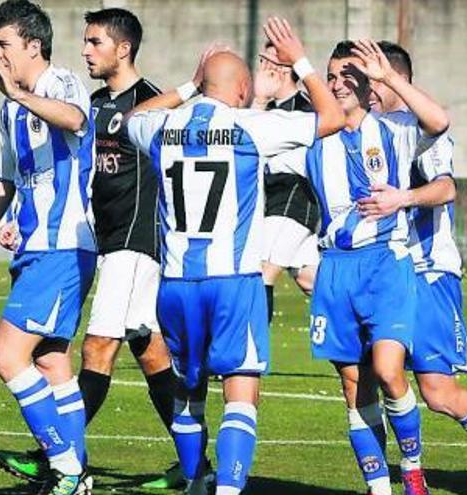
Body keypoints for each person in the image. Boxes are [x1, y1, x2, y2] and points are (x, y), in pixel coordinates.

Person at [125, 16, 344, 495]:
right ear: (243, 89)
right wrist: (300, 60)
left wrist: (189, 83)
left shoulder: (162, 127)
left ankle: (194, 484)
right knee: (240, 392)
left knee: (189, 394)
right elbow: (333, 118)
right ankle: (227, 490)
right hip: (234, 280)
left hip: (177, 285)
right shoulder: (250, 125)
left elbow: (132, 117)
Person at [0, 8, 185, 489]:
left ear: (123, 48)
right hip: (102, 239)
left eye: (95, 42)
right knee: (148, 351)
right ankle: (193, 461)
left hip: (135, 239)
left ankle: (61, 459)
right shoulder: (97, 101)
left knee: (98, 347)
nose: (85, 50)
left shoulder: (151, 102)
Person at [357, 40, 467, 495]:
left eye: (374, 81)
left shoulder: (422, 128)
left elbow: (447, 188)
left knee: (437, 393)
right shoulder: (363, 128)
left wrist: (404, 199)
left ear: (393, 78)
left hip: (426, 270)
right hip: (379, 272)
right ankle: (408, 476)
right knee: (368, 376)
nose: (366, 92)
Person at [280, 39, 447, 495]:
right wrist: (268, 92)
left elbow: (439, 121)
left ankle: (412, 467)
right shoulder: (313, 143)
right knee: (355, 386)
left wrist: (390, 78)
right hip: (335, 269)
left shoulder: (393, 130)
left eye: (346, 75)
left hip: (386, 265)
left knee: (391, 372)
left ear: (366, 81)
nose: (337, 83)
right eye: (330, 76)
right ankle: (379, 488)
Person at [0, 1, 95, 494]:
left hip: (64, 248)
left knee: (8, 356)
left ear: (33, 45)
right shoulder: (10, 108)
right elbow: (4, 181)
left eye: (3, 43)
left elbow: (75, 120)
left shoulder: (62, 83)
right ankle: (79, 474)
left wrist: (15, 90)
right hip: (32, 250)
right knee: (51, 361)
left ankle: (67, 469)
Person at [252, 41, 320, 319]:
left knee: (261, 272)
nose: (262, 68)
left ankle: (252, 355)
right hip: (270, 198)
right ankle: (375, 320)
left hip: (295, 196)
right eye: (262, 61)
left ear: (283, 69)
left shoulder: (306, 109)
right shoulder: (262, 108)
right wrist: (258, 102)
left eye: (268, 62)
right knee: (311, 279)